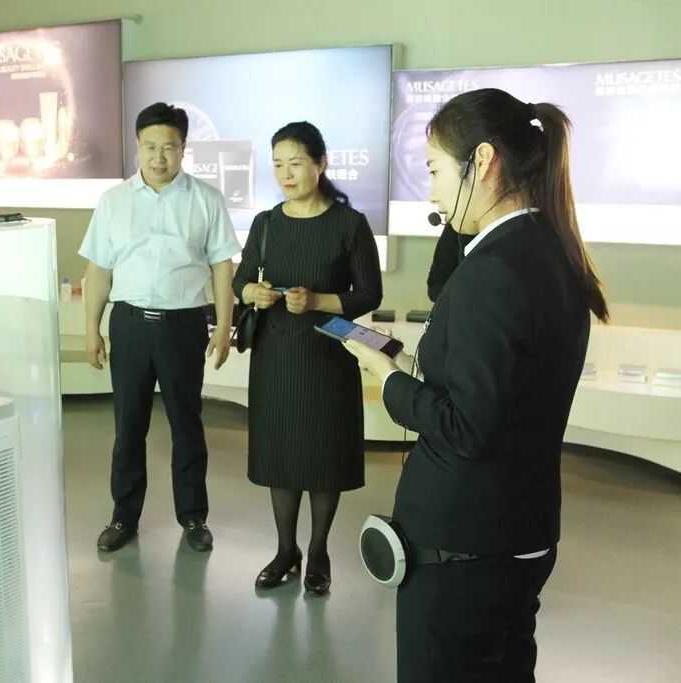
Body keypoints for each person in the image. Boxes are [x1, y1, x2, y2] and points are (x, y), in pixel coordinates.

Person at [342, 89, 609, 681]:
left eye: (435, 171)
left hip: (465, 548)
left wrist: (388, 377)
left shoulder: (492, 272)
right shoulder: (552, 252)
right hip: (520, 531)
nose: (431, 192)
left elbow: (465, 427)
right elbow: (498, 392)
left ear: (482, 161)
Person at [79, 102, 241, 553]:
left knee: (187, 425)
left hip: (183, 326)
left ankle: (193, 517)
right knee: (128, 426)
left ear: (183, 148)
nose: (158, 156)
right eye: (149, 146)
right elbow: (98, 270)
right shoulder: (113, 202)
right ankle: (123, 516)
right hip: (129, 325)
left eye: (168, 147)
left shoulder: (206, 199)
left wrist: (224, 326)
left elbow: (222, 267)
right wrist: (92, 329)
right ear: (137, 146)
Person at [232, 122, 382, 594]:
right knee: (281, 453)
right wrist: (253, 293)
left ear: (321, 163)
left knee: (323, 453)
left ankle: (318, 552)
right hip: (275, 355)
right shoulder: (266, 223)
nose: (286, 174)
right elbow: (240, 281)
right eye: (278, 164)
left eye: (295, 163)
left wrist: (317, 301)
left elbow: (369, 293)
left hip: (326, 356)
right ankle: (285, 550)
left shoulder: (349, 224)